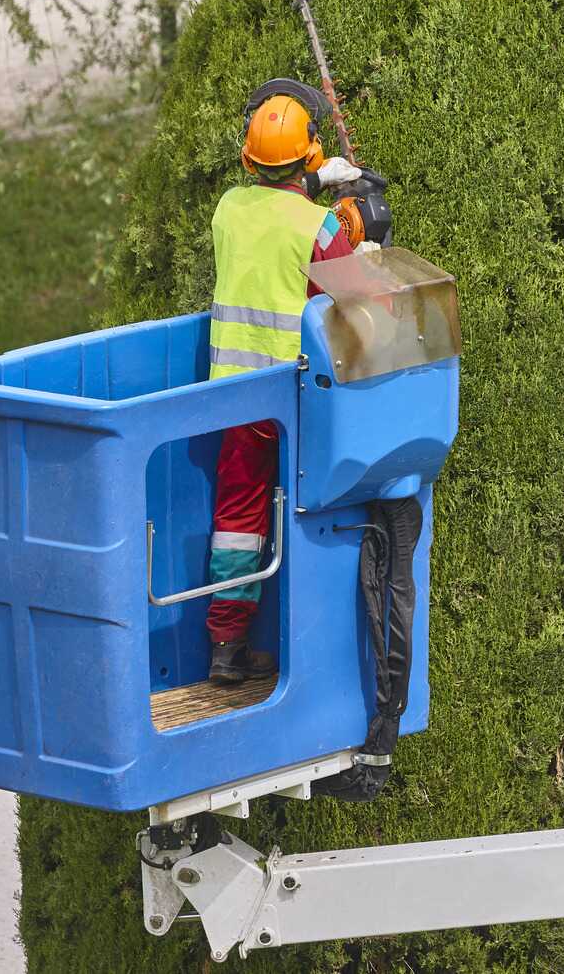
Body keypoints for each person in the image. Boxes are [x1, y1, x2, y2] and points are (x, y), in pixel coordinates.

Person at [206, 88, 358, 685]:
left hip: (232, 395)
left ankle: (227, 645)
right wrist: (356, 231)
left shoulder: (227, 210)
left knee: (238, 517)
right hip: (298, 398)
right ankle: (318, 662)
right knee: (320, 509)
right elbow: (355, 296)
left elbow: (268, 212)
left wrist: (316, 184)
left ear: (249, 161)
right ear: (311, 154)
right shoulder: (318, 228)